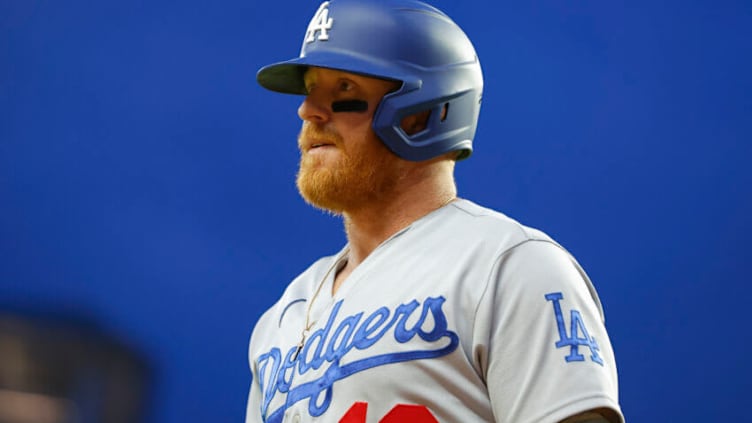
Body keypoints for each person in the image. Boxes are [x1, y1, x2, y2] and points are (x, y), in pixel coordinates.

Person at [246, 1, 624, 422]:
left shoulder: (509, 267)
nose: (308, 111)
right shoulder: (281, 317)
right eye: (310, 89)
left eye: (345, 90)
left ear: (423, 112)